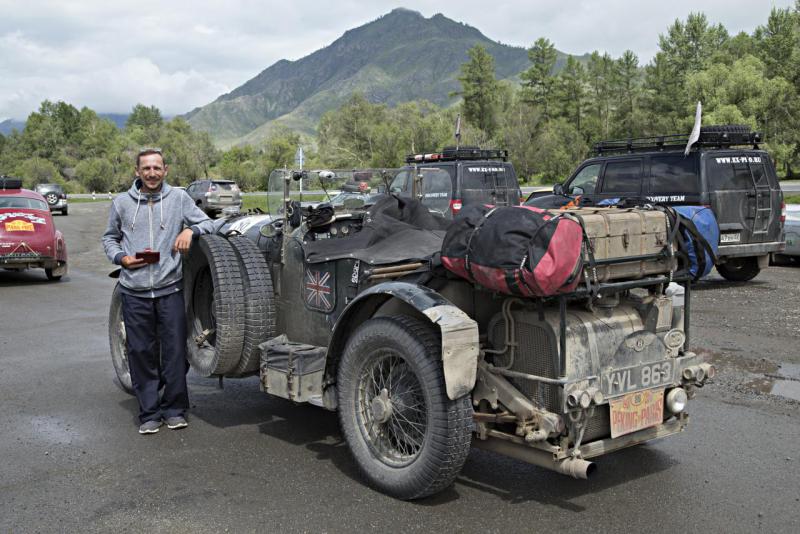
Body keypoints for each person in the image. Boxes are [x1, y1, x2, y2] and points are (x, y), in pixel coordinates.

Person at [102, 148, 215, 434]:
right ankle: (149, 413)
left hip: (169, 290)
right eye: (146, 168)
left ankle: (175, 409)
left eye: (157, 168)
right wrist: (121, 258)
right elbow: (109, 239)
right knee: (141, 352)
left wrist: (191, 231)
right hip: (134, 291)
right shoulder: (121, 204)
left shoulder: (178, 199)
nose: (151, 173)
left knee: (176, 353)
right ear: (137, 172)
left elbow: (209, 222)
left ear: (165, 170)